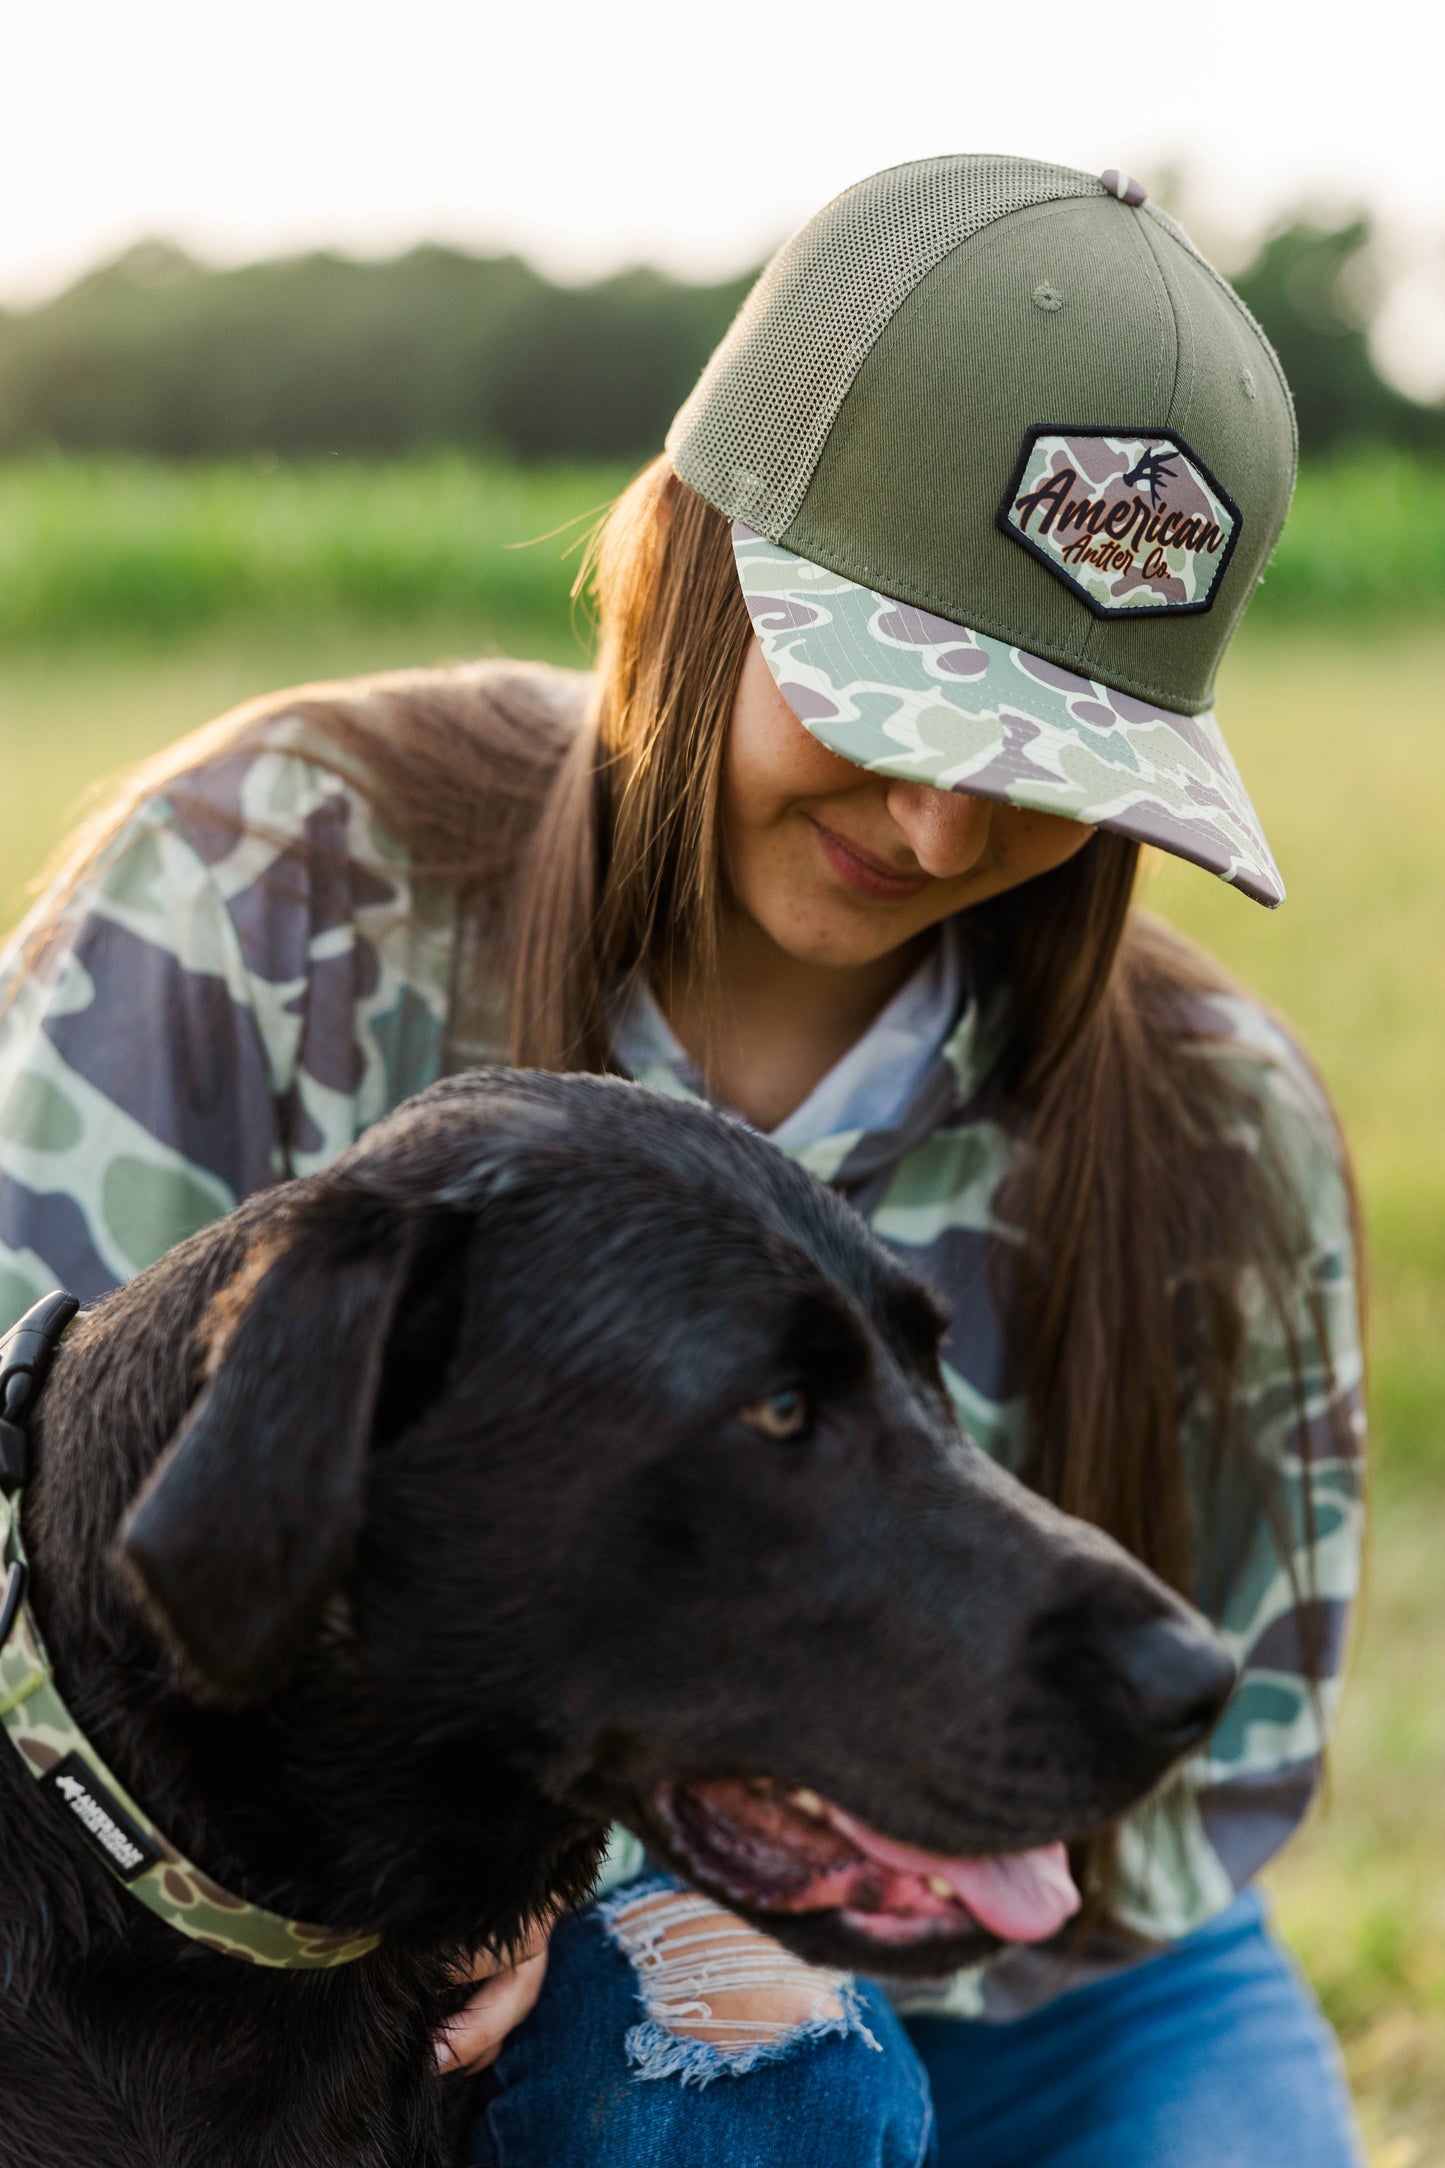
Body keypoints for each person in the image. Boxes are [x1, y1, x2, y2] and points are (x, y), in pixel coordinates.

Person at [0, 155, 1365, 2166]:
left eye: (1042, 764)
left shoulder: (1214, 1112)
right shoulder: (262, 882)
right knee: (746, 2077)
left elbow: (1213, 1778)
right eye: (879, 698)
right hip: (388, 1923)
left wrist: (809, 1866)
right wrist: (534, 1886)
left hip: (1030, 1946)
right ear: (685, 568)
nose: (930, 824)